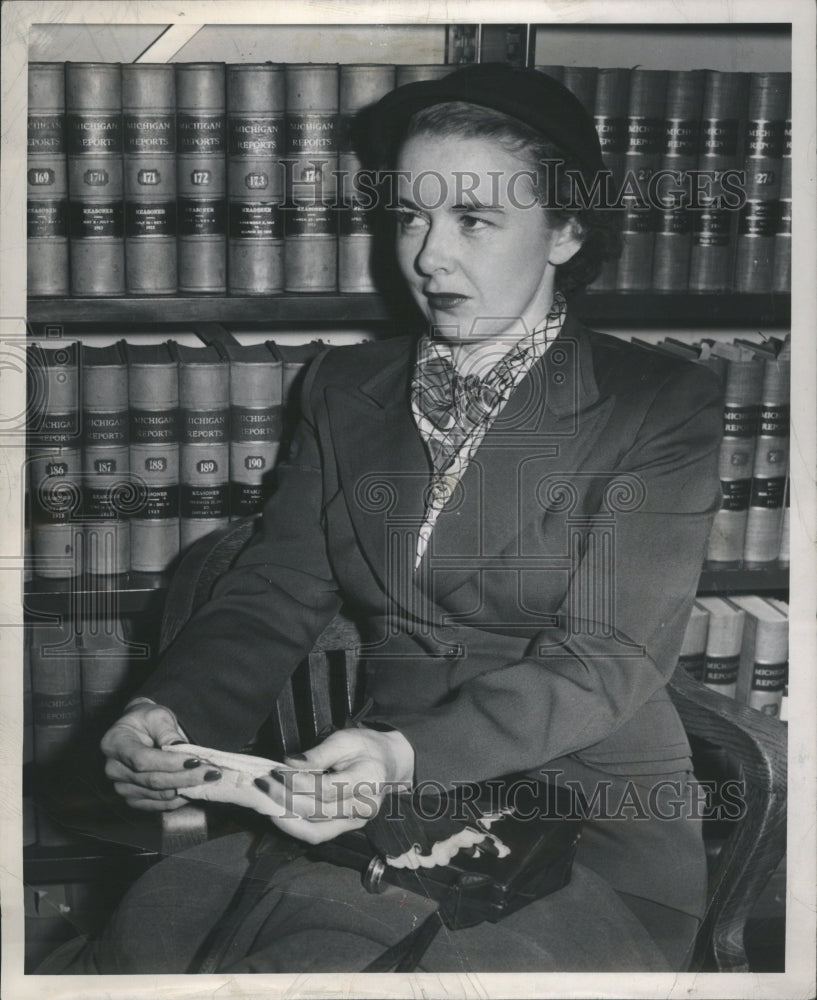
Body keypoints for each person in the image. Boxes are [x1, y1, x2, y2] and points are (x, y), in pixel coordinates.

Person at [53, 63, 723, 974]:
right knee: (163, 931)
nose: (427, 256)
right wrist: (167, 711)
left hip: (579, 818)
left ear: (565, 230)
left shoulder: (656, 402)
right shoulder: (344, 388)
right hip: (369, 805)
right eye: (409, 215)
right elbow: (275, 589)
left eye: (474, 220)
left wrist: (400, 753)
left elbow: (606, 660)